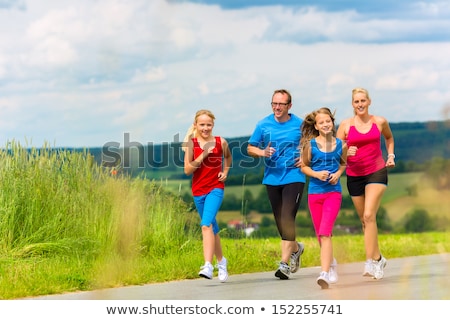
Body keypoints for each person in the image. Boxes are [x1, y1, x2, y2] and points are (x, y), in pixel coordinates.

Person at [336, 87, 395, 280]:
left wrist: (391, 155)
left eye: (363, 101)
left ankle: (373, 260)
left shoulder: (379, 121)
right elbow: (336, 151)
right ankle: (375, 258)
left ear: (369, 101)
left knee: (369, 215)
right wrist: (346, 150)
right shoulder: (345, 125)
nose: (360, 104)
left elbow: (389, 138)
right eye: (356, 101)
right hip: (354, 176)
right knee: (364, 220)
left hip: (376, 171)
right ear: (352, 104)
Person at [247, 89, 306, 280]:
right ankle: (296, 248)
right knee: (280, 220)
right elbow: (250, 147)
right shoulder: (263, 124)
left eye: (281, 104)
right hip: (272, 178)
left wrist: (305, 159)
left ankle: (284, 264)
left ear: (289, 105)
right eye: (274, 103)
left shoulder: (300, 124)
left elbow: (314, 143)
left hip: (294, 176)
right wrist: (262, 152)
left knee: (287, 216)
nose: (277, 107)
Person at [183, 109, 232, 282]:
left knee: (205, 225)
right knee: (213, 228)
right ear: (195, 125)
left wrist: (225, 171)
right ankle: (222, 262)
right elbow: (188, 170)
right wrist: (203, 155)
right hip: (198, 191)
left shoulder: (220, 141)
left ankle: (207, 265)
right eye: (202, 124)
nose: (205, 128)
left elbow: (228, 158)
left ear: (213, 125)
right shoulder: (191, 144)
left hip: (216, 188)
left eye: (209, 125)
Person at [300, 107, 347, 289]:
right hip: (314, 193)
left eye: (328, 121)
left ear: (332, 122)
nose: (326, 124)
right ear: (317, 126)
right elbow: (304, 167)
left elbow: (343, 164)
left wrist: (338, 174)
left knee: (325, 233)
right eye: (322, 122)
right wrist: (317, 174)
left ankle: (324, 273)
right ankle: (332, 263)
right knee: (321, 234)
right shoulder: (310, 146)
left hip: (333, 193)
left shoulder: (341, 144)